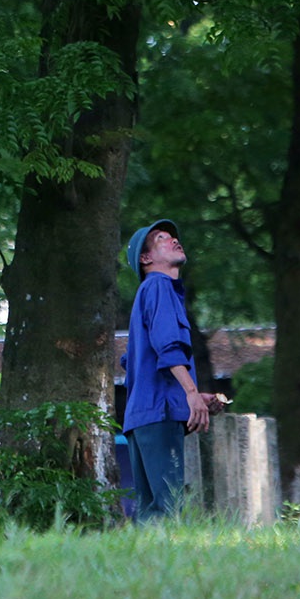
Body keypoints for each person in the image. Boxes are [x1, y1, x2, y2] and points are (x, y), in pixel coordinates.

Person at [120, 219, 224, 519]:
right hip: (159, 414)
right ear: (146, 258)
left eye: (173, 236)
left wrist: (193, 396)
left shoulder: (149, 294)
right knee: (168, 510)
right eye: (162, 238)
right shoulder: (159, 286)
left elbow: (147, 364)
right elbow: (168, 345)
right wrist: (190, 393)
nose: (174, 240)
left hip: (144, 416)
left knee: (150, 513)